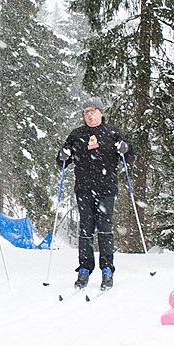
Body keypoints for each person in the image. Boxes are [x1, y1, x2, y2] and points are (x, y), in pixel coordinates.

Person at [56, 98, 134, 291]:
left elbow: (129, 157)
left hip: (106, 189)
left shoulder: (112, 133)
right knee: (85, 229)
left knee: (105, 229)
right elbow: (62, 162)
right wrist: (63, 156)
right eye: (86, 112)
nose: (89, 114)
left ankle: (107, 269)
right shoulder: (77, 135)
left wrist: (125, 149)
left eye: (93, 110)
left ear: (101, 113)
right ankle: (84, 268)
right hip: (83, 189)